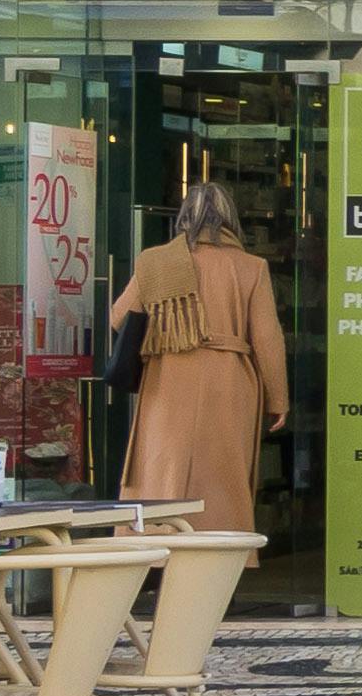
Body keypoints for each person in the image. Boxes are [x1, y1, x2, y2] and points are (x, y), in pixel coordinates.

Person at [114, 179, 289, 538]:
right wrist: (278, 400)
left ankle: (156, 541)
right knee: (224, 473)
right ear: (230, 220)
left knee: (162, 467)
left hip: (168, 377)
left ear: (183, 218)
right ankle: (221, 550)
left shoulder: (157, 261)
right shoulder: (252, 266)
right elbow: (268, 338)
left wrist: (167, 325)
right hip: (230, 378)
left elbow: (120, 318)